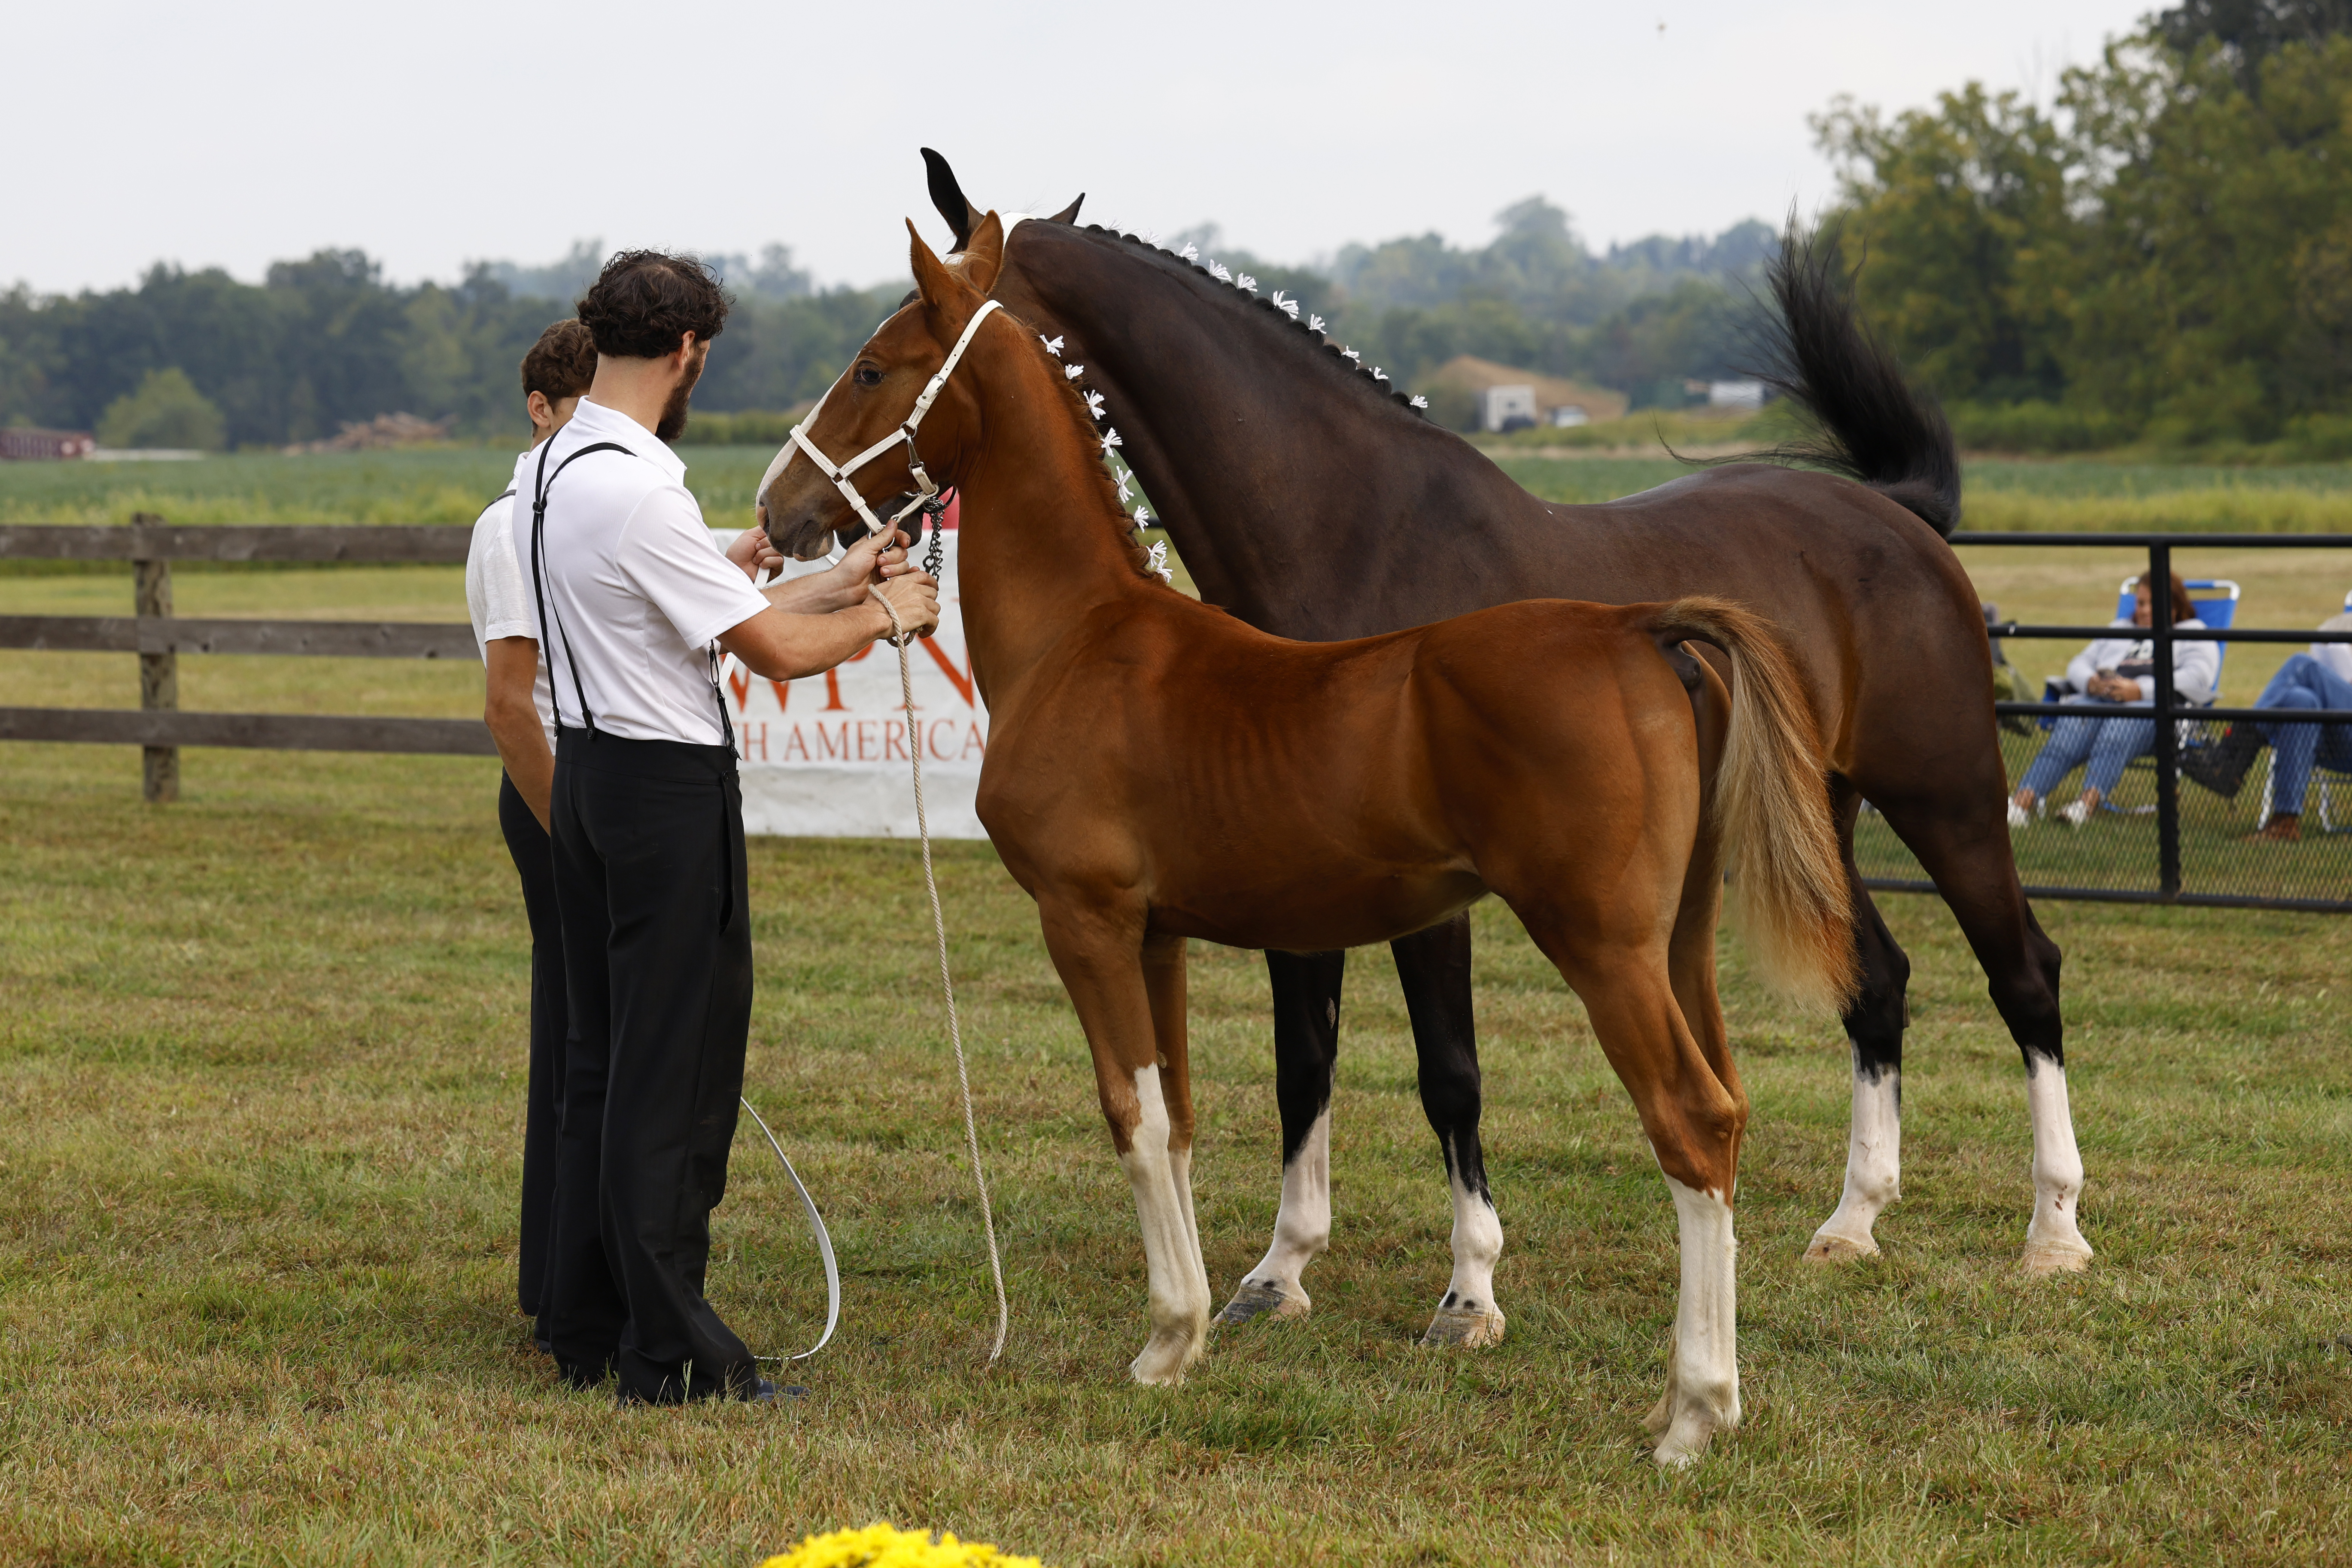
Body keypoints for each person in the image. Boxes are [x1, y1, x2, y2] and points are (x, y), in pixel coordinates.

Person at [532, 250, 939, 1405]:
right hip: (665, 796)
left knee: (603, 1061)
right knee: (674, 1078)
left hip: (589, 783)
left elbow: (719, 612)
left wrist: (845, 574)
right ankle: (670, 1356)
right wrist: (886, 616)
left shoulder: (561, 465)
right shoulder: (644, 485)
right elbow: (772, 650)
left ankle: (586, 1321)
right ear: (688, 352)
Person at [465, 318, 597, 1332]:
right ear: (537, 410)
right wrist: (571, 834)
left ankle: (567, 1268)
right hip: (552, 787)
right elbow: (511, 708)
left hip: (594, 784)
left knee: (591, 1027)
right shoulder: (511, 523)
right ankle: (561, 1282)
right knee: (575, 1035)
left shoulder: (582, 510)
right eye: (567, 415)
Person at [2008, 572, 2219, 828]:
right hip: (2102, 700)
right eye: (2141, 604)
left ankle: (2085, 806)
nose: (2145, 611)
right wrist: (2091, 682)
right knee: (2069, 734)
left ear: (2175, 606)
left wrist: (2140, 691)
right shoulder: (2120, 629)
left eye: (2155, 604)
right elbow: (2079, 663)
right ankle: (2021, 803)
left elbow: (2199, 677)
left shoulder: (2193, 634)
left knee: (2116, 731)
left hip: (2151, 709)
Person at [2181, 605, 2352, 841]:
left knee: (2303, 666)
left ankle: (2231, 756)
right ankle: (2286, 821)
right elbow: (2327, 638)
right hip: (2340, 733)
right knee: (2302, 702)